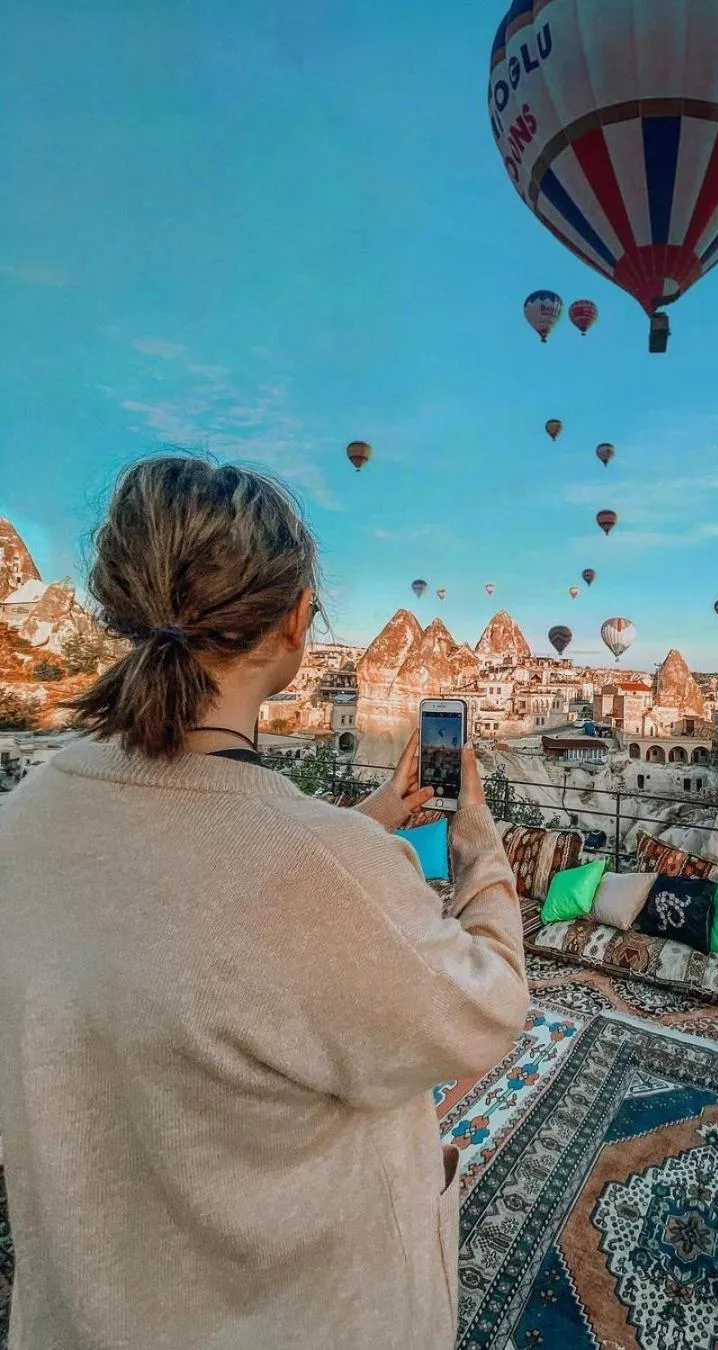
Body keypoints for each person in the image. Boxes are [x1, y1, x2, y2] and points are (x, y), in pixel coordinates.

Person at [0, 456, 529, 1349]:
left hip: (85, 1310)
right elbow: (489, 1007)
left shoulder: (26, 818)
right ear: (293, 621)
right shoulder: (321, 871)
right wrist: (478, 843)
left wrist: (369, 820)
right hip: (301, 1313)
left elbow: (201, 869)